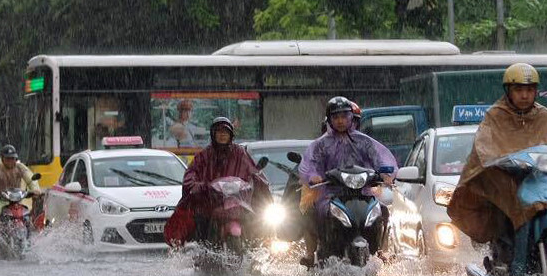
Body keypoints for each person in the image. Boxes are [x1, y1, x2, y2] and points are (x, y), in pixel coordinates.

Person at [448, 63, 547, 249]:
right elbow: (484, 147)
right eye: (519, 89)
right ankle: (509, 257)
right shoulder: (495, 115)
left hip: (540, 181)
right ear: (508, 90)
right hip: (507, 180)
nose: (525, 95)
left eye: (530, 89)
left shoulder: (545, 116)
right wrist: (499, 161)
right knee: (508, 210)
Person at [296, 96, 396, 263]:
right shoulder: (321, 144)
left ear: (352, 118)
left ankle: (381, 250)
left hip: (363, 193)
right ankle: (310, 253)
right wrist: (313, 176)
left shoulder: (364, 142)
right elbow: (310, 164)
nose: (341, 121)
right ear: (329, 120)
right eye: (336, 117)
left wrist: (386, 174)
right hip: (331, 194)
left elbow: (380, 158)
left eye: (344, 116)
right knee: (310, 212)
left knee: (383, 210)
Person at [164, 117, 272, 247]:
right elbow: (191, 174)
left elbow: (253, 171)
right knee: (200, 220)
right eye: (219, 132)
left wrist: (258, 181)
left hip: (238, 202)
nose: (222, 135)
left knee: (260, 222)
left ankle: (256, 248)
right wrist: (200, 186)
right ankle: (203, 249)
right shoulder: (204, 155)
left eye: (225, 132)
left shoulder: (240, 153)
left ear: (231, 135)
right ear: (213, 134)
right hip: (211, 203)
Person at [0, 145, 43, 222]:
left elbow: (31, 180)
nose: (10, 161)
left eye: (12, 158)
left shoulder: (20, 167)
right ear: (2, 159)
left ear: (16, 158)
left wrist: (35, 190)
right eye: (7, 159)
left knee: (28, 214)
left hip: (17, 202)